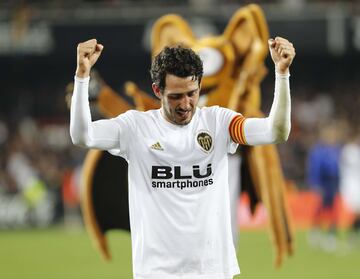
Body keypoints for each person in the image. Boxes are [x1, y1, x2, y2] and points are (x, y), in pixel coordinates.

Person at [70, 37, 295, 279]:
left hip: (213, 271)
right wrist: (82, 77)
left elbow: (276, 131)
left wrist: (282, 74)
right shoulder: (135, 127)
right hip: (156, 273)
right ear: (157, 90)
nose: (186, 104)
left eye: (192, 93)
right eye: (176, 96)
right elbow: (83, 136)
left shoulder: (219, 123)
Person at [306, 121, 342, 251]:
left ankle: (331, 235)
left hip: (334, 183)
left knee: (334, 210)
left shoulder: (337, 149)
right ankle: (315, 232)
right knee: (320, 209)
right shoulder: (319, 150)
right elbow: (315, 168)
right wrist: (315, 184)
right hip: (323, 183)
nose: (332, 136)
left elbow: (340, 168)